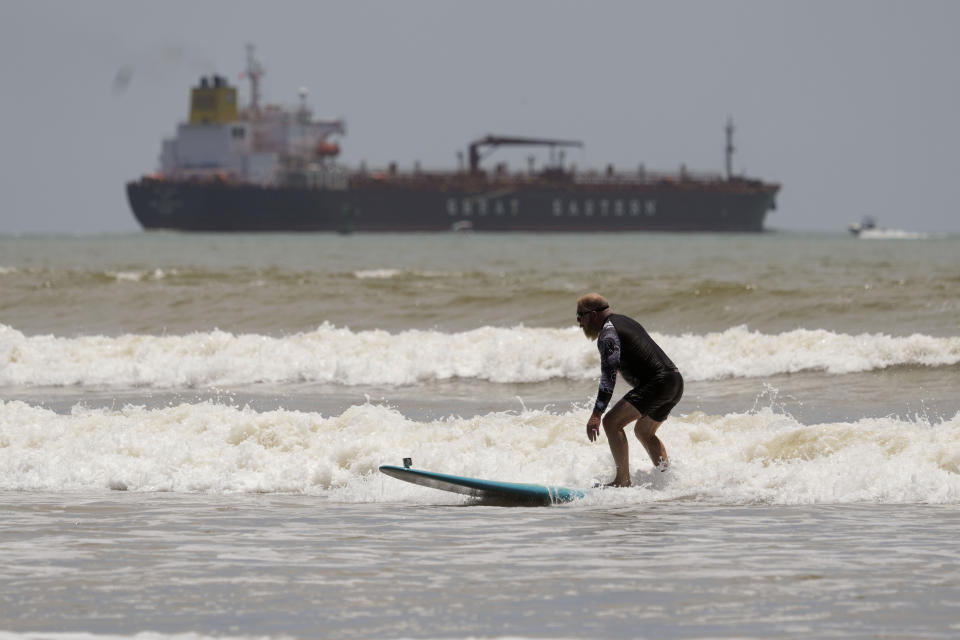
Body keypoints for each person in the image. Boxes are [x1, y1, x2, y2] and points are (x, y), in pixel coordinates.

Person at [577, 293, 684, 487]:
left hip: (658, 383)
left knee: (611, 422)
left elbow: (608, 378)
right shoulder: (624, 320)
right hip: (674, 381)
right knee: (644, 432)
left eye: (580, 316)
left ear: (592, 315)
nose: (578, 323)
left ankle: (622, 481)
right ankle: (668, 481)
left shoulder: (608, 333)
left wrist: (596, 415)